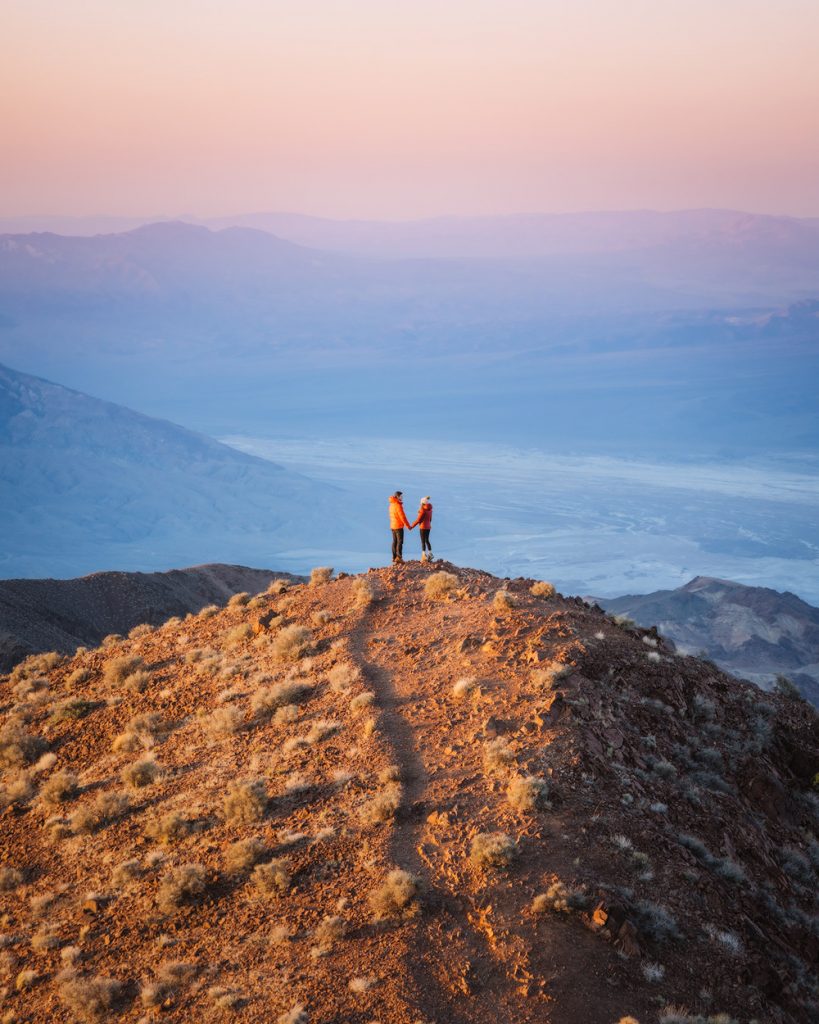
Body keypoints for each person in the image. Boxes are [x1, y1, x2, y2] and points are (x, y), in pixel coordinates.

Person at [388, 490, 412, 563]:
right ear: (397, 497)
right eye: (401, 496)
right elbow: (402, 517)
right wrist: (408, 526)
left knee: (394, 541)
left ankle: (394, 557)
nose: (402, 498)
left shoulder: (391, 505)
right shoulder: (398, 506)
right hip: (398, 526)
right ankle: (399, 557)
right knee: (400, 542)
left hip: (393, 526)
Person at [410, 495, 434, 562]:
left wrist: (411, 526)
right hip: (428, 527)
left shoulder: (422, 510)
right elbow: (430, 519)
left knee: (423, 541)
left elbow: (418, 520)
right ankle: (430, 554)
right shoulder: (430, 510)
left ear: (422, 503)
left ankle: (424, 556)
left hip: (423, 527)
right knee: (427, 540)